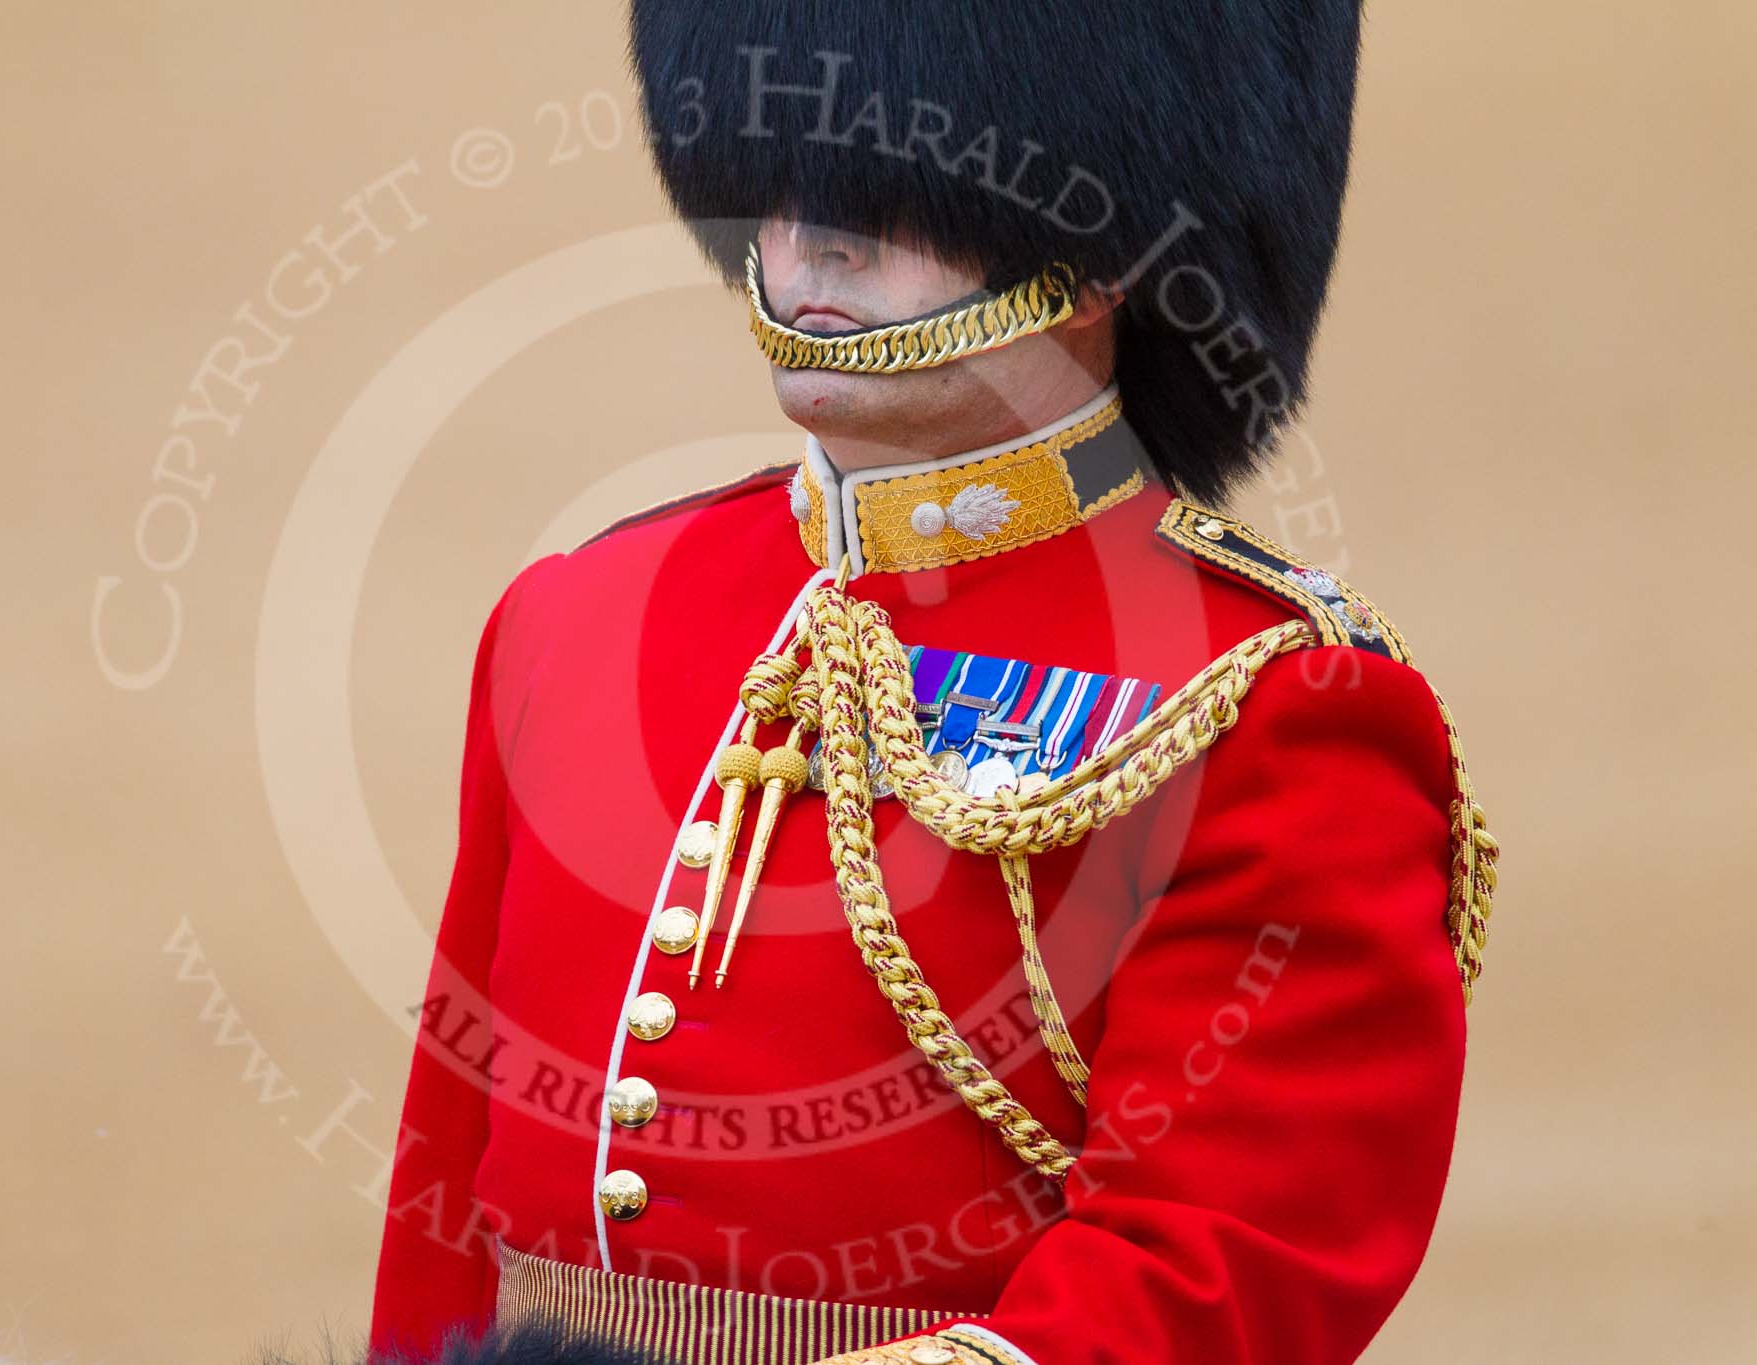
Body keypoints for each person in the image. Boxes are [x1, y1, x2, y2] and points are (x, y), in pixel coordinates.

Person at [370, 4, 1497, 1363]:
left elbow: (1205, 1285)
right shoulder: (576, 615)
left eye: (891, 190)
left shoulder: (1274, 706)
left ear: (1106, 249)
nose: (814, 234)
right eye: (783, 175)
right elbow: (444, 1226)